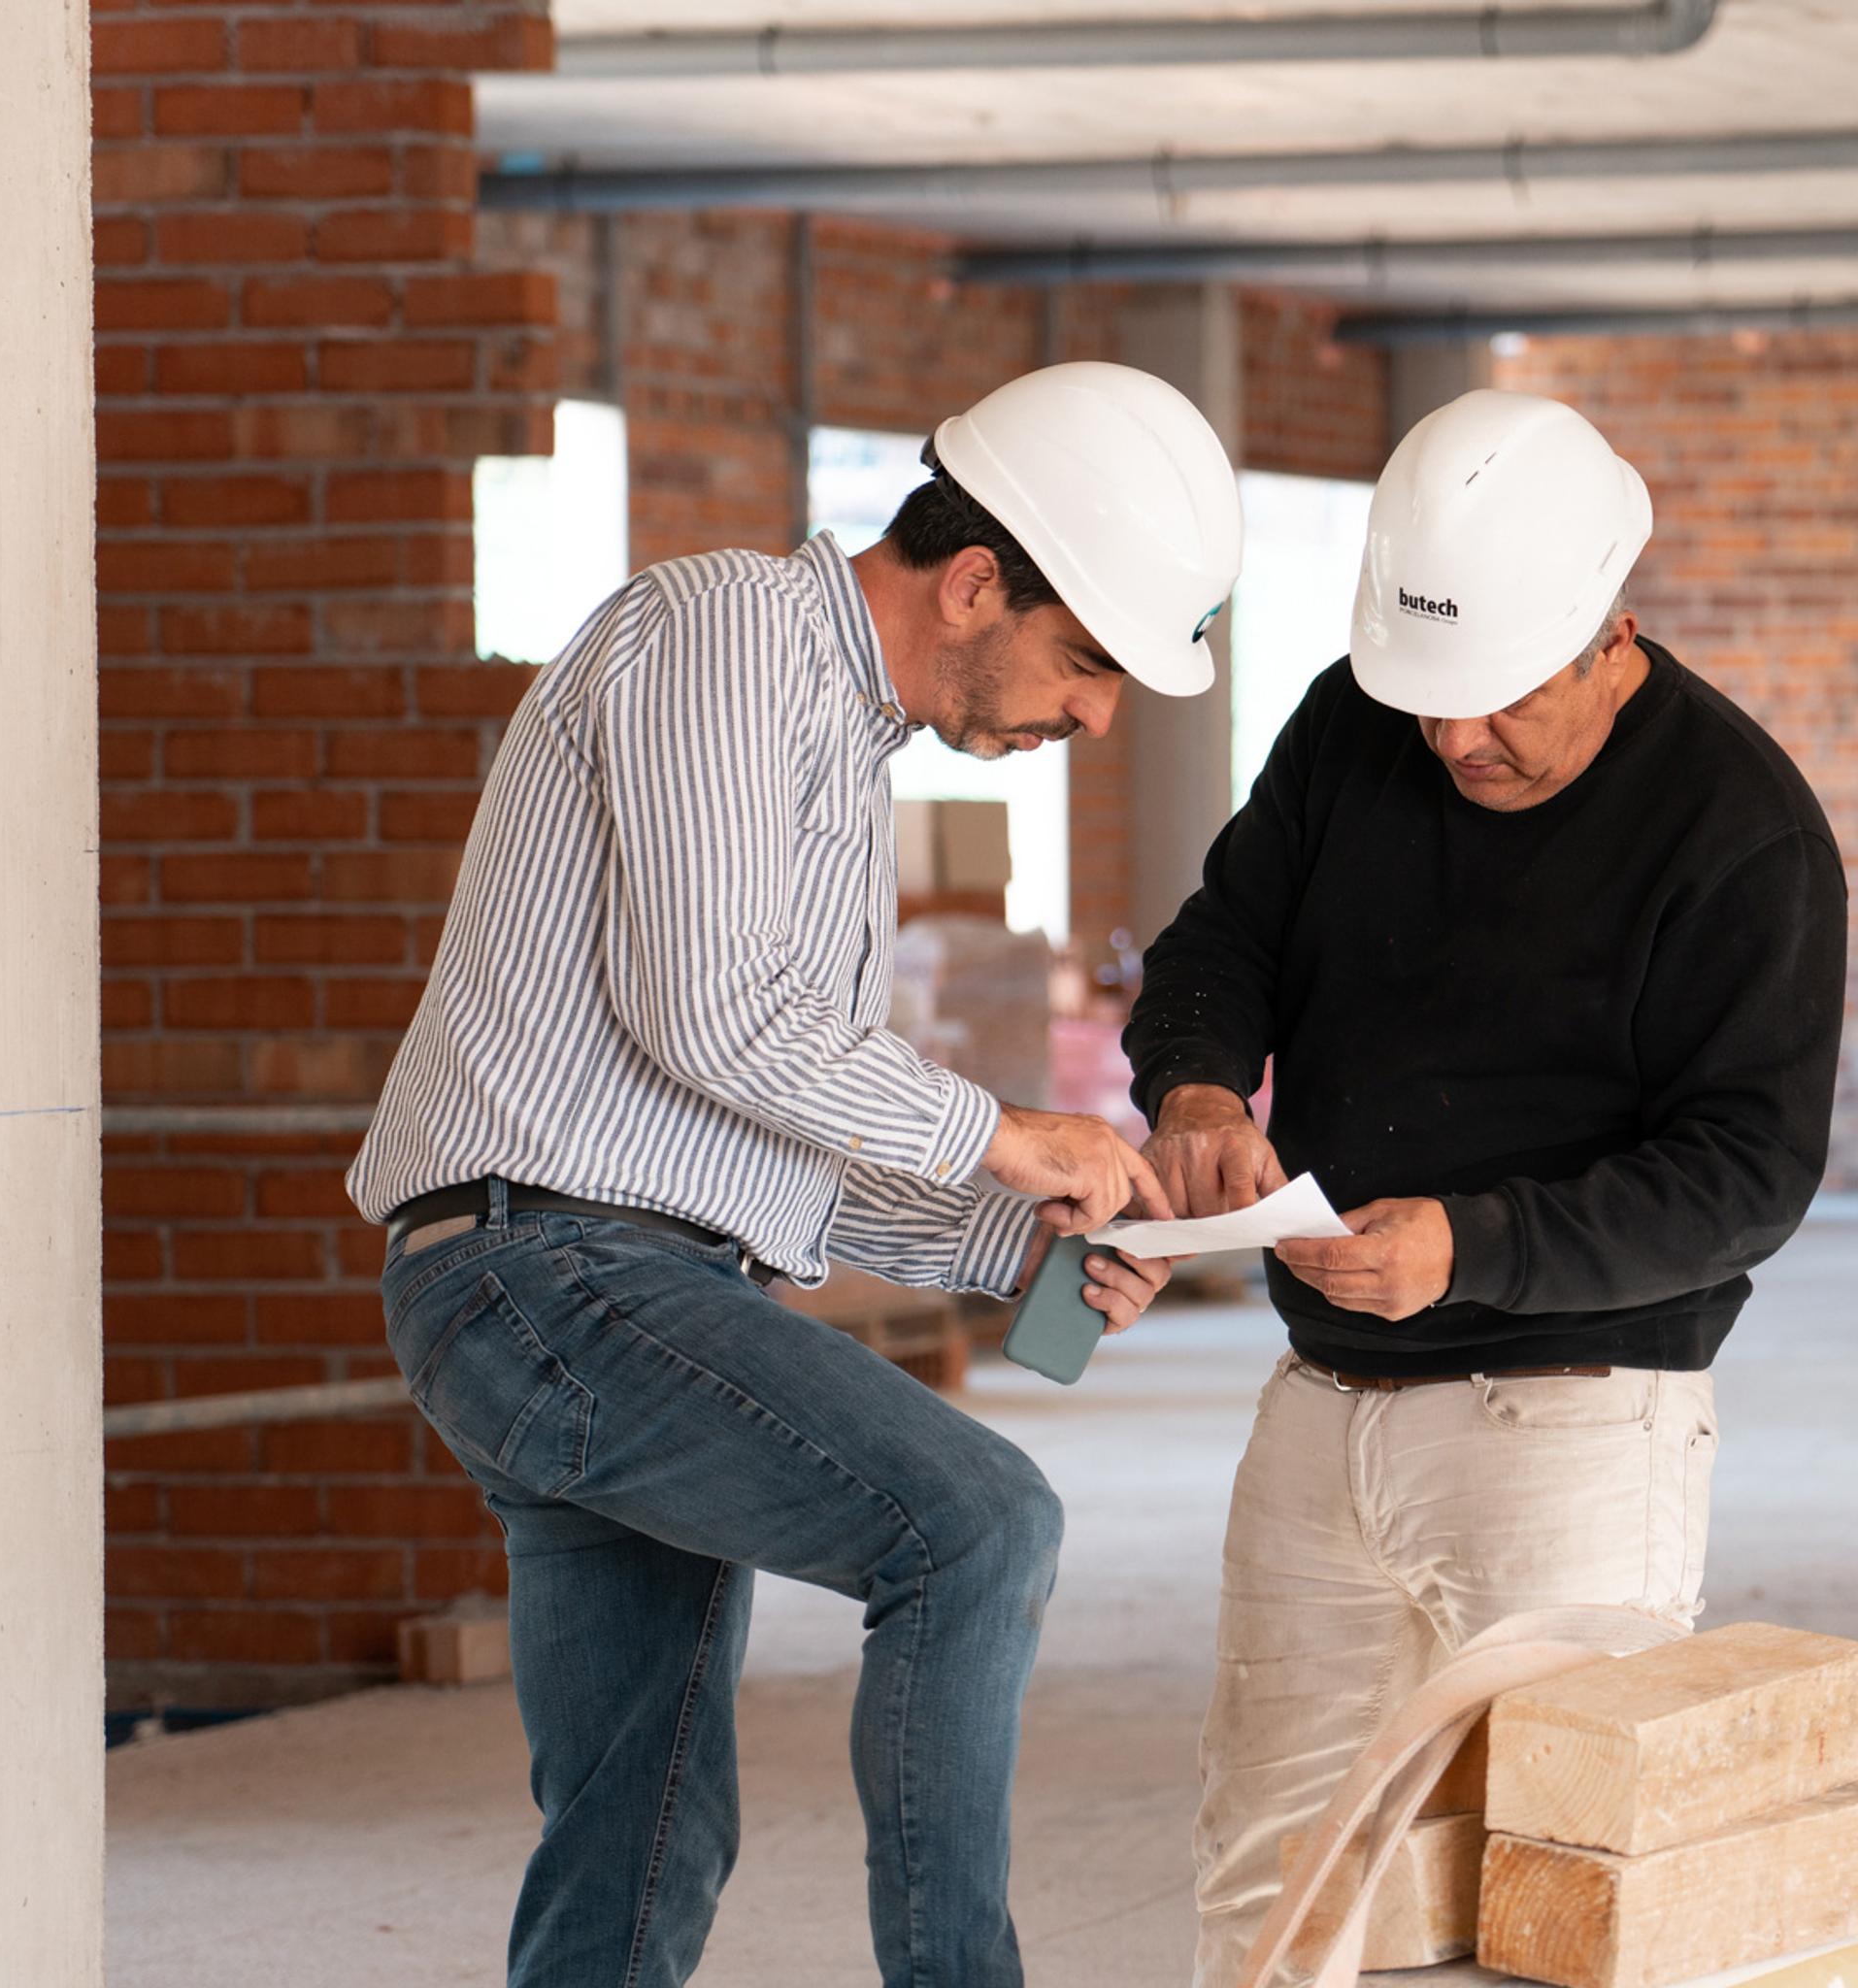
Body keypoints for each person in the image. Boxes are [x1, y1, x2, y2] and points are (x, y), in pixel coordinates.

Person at [346, 361, 1238, 1988]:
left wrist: (1025, 1237)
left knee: (644, 1826)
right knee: (974, 1528)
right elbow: (715, 1014)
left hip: (628, 1277)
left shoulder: (838, 748)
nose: (1098, 717)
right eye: (1088, 661)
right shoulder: (722, 636)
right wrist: (1012, 1131)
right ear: (975, 582)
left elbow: (775, 1140)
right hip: (546, 1274)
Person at [1120, 389, 1849, 1984]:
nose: (1457, 741)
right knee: (1274, 1874)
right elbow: (1219, 946)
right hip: (1325, 1399)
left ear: (1612, 636)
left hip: (1575, 1425)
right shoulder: (1353, 722)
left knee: (1572, 1894)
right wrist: (1193, 1089)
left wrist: (1476, 1245)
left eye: (1504, 698)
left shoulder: (1742, 833)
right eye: (1428, 697)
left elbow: (1747, 1175)